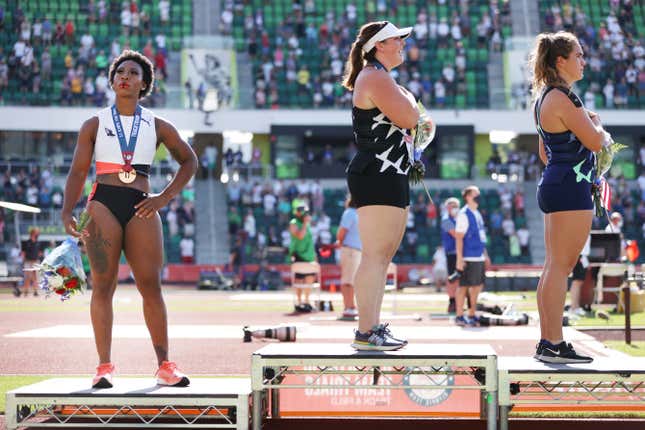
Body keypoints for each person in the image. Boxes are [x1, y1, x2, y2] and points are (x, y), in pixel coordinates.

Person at [62, 50, 198, 388]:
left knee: (150, 285)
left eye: (134, 72)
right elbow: (78, 171)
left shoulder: (156, 124)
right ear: (112, 81)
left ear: (144, 84)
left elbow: (190, 161)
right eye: (120, 72)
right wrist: (67, 211)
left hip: (142, 203)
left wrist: (164, 198)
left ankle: (165, 365)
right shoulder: (94, 124)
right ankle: (104, 367)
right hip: (102, 203)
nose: (125, 76)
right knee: (103, 285)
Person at [342, 21, 424, 350]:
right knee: (376, 256)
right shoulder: (375, 77)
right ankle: (366, 331)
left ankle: (372, 328)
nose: (402, 43)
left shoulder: (379, 76)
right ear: (379, 46)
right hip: (378, 171)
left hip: (387, 171)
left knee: (382, 256)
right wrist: (414, 107)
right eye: (396, 39)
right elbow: (410, 118)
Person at [529, 32, 607, 364]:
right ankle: (554, 342)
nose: (583, 61)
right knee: (561, 267)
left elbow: (545, 153)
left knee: (554, 267)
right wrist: (599, 126)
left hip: (556, 182)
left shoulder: (546, 97)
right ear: (560, 61)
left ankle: (549, 341)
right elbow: (594, 141)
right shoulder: (563, 98)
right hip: (569, 188)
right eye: (579, 55)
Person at [454, 186, 489, 326]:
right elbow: (458, 237)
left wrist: (485, 254)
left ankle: (472, 314)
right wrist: (459, 258)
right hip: (468, 256)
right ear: (468, 196)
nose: (478, 196)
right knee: (463, 286)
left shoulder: (477, 213)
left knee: (477, 286)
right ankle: (459, 316)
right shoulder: (464, 214)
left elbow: (481, 236)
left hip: (479, 256)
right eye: (476, 194)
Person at [335, 194, 361, 320]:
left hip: (349, 249)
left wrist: (338, 242)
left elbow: (341, 232)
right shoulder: (360, 214)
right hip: (358, 250)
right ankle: (352, 306)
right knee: (353, 281)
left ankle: (348, 307)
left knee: (347, 281)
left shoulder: (349, 213)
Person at [288, 204, 316, 312]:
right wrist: (304, 223)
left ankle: (307, 301)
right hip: (299, 254)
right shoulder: (294, 223)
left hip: (309, 256)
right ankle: (299, 302)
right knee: (299, 280)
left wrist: (314, 256)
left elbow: (309, 241)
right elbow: (300, 235)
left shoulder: (307, 225)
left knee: (310, 279)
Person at [441, 197, 460, 313]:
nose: (454, 208)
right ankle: (452, 301)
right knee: (452, 278)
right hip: (452, 253)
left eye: (456, 206)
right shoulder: (446, 220)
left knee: (460, 278)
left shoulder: (459, 219)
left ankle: (459, 301)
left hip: (460, 252)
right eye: (452, 206)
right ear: (447, 207)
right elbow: (456, 234)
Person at [569, 235, 590, 317]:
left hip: (582, 256)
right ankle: (573, 307)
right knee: (576, 282)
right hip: (579, 255)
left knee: (579, 282)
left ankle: (576, 307)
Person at [21, 227, 42, 297]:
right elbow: (23, 253)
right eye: (37, 232)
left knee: (35, 277)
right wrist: (24, 261)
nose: (38, 234)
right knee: (28, 277)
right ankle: (26, 291)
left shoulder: (38, 242)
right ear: (33, 233)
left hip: (35, 261)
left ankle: (35, 291)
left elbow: (39, 253)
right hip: (28, 261)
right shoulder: (26, 242)